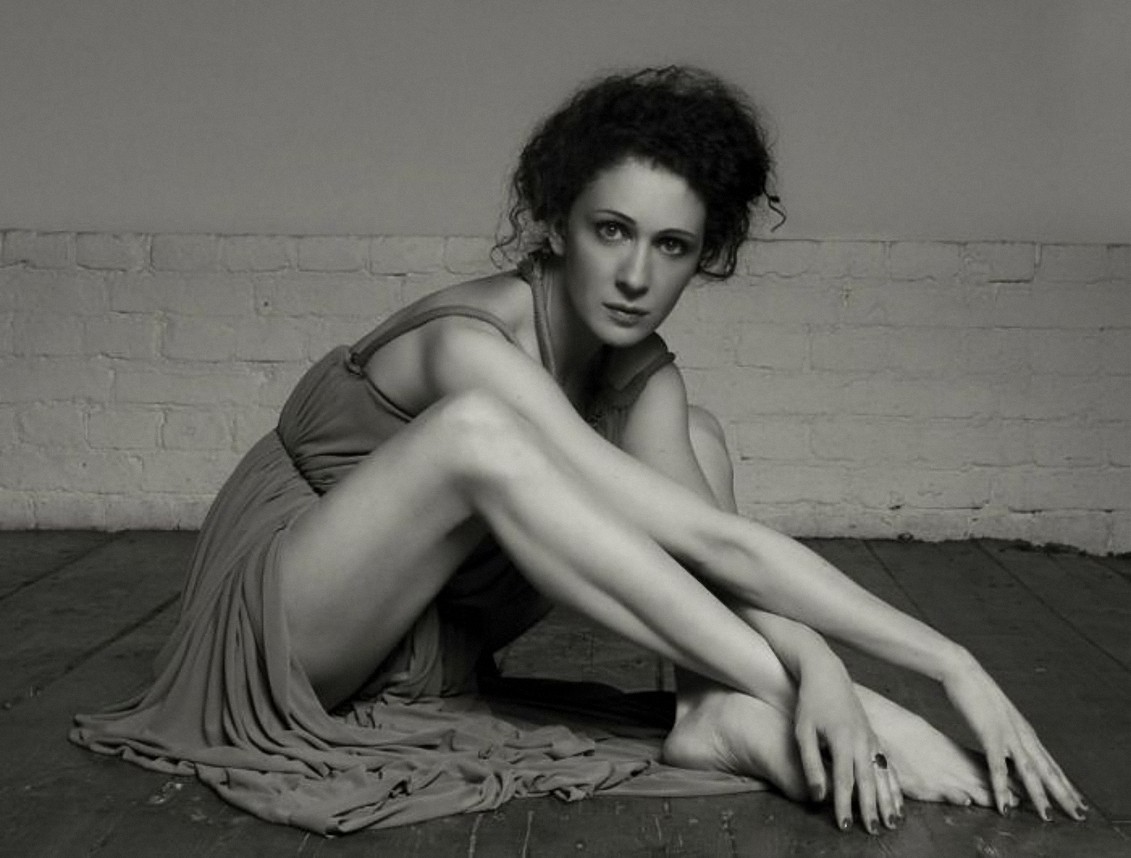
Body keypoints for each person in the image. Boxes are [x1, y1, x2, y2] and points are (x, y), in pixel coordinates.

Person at [72, 66, 1086, 836]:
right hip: (286, 629)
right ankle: (781, 700)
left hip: (426, 638)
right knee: (480, 435)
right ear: (556, 226)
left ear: (704, 257)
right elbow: (680, 535)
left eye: (671, 246)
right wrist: (844, 693)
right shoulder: (469, 345)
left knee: (693, 440)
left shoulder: (639, 371)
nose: (636, 275)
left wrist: (946, 663)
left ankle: (709, 711)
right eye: (612, 230)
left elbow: (714, 543)